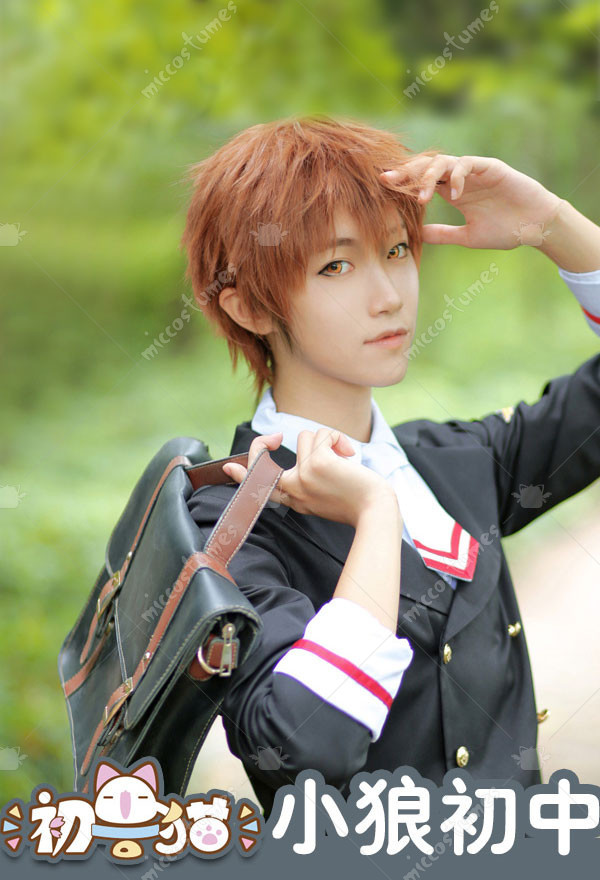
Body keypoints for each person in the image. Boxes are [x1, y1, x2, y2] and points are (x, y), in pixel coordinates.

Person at [181, 115, 600, 820]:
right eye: (336, 266)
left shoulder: (454, 463)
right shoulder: (231, 522)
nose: (390, 295)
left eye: (397, 249)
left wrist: (553, 225)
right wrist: (375, 516)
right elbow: (305, 746)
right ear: (249, 305)